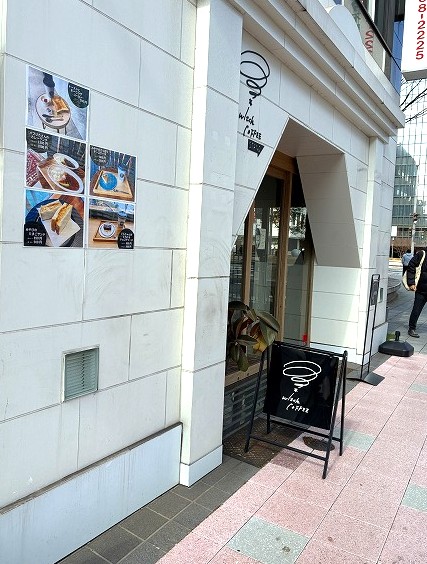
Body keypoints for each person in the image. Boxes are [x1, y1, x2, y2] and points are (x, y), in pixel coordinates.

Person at [407, 249, 427, 337]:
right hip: (421, 289)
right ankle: (411, 328)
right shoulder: (422, 254)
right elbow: (411, 266)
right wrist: (411, 283)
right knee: (416, 309)